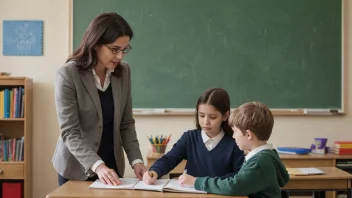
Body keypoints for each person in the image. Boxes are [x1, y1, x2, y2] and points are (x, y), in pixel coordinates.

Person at [52, 12, 146, 186]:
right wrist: (98, 166)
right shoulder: (68, 75)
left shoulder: (123, 72)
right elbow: (70, 133)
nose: (120, 56)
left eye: (124, 50)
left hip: (112, 166)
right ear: (95, 44)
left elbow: (126, 123)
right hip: (76, 168)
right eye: (114, 49)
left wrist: (136, 161)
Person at [178, 101, 290, 197]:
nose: (233, 136)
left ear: (248, 134)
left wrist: (196, 181)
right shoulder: (264, 157)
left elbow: (233, 186)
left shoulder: (259, 162)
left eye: (235, 132)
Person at [143, 88, 244, 185]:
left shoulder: (236, 143)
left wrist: (199, 182)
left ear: (225, 116)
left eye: (212, 117)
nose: (205, 122)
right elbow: (169, 159)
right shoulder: (189, 138)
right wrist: (154, 172)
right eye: (201, 115)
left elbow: (239, 177)